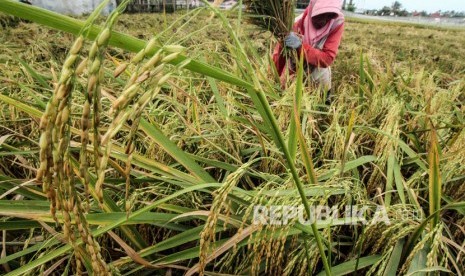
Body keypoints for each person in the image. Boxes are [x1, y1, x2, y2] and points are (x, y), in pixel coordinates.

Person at [273, 0, 344, 101]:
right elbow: (279, 55)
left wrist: (300, 47)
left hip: (319, 71)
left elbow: (327, 58)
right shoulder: (294, 24)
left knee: (322, 103)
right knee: (291, 101)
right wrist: (274, 78)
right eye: (320, 15)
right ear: (312, 8)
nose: (323, 21)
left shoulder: (337, 22)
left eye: (329, 16)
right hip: (295, 70)